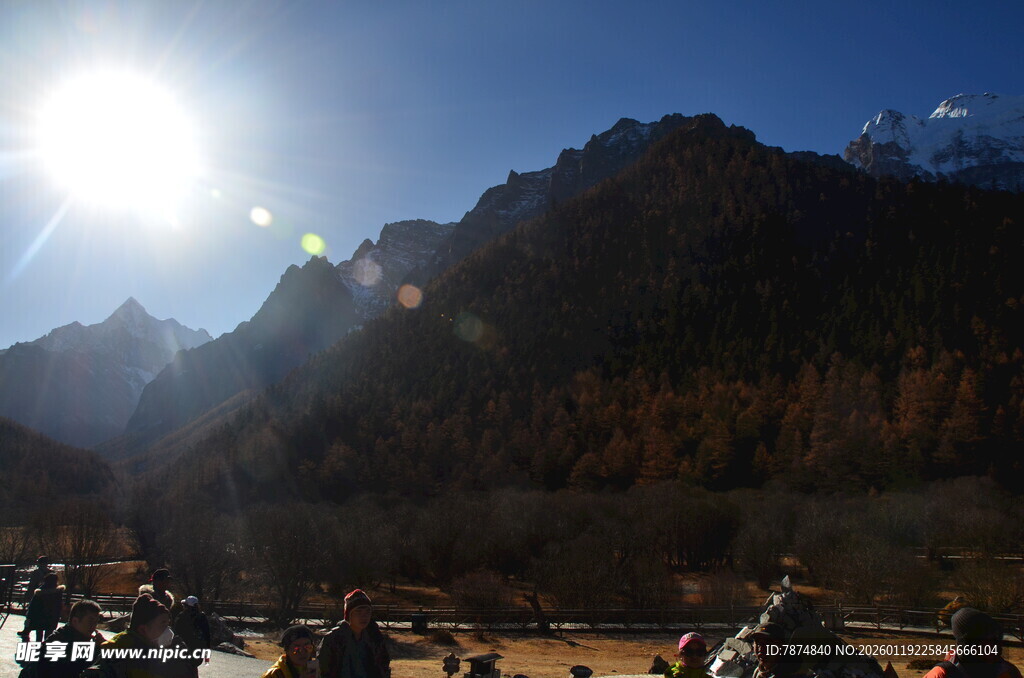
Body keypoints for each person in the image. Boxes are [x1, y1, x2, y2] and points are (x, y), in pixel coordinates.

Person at [97, 593, 197, 678]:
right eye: (162, 624)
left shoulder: (156, 647)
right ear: (143, 629)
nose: (168, 630)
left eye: (168, 624)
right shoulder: (120, 651)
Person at [924, 608, 1022, 678]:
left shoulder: (1008, 672)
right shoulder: (942, 674)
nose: (995, 645)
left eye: (996, 638)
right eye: (987, 639)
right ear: (968, 644)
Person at [318, 589, 391, 678]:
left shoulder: (375, 638)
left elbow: (383, 668)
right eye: (358, 611)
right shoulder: (333, 640)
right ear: (349, 615)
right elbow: (323, 671)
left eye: (367, 611)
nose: (363, 616)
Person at [38, 599, 106, 678]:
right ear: (75, 621)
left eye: (96, 621)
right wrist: (97, 649)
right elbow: (74, 670)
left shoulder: (73, 637)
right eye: (90, 621)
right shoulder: (60, 642)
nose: (94, 626)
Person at [23, 573, 66, 643]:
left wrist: (29, 617)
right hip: (52, 617)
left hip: (39, 616)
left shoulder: (39, 592)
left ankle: (38, 648)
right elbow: (59, 605)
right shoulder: (57, 592)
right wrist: (59, 615)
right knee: (48, 635)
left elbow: (32, 606)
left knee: (39, 635)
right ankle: (45, 649)